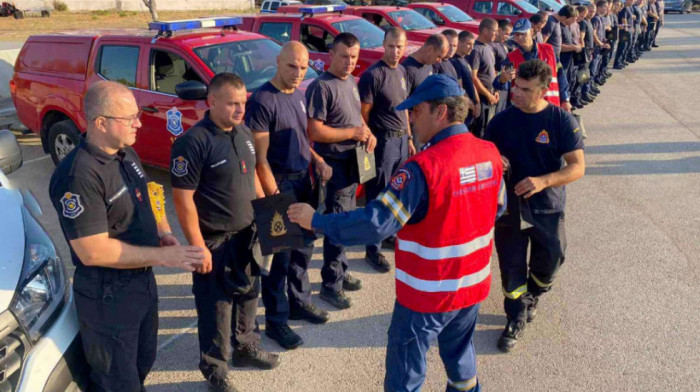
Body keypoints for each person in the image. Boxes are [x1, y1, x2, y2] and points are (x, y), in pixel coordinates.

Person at [288, 74, 506, 392]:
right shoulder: (489, 153)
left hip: (427, 293)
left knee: (405, 373)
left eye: (416, 110)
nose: (410, 118)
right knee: (461, 358)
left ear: (441, 112)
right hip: (472, 286)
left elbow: (377, 223)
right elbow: (497, 208)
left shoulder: (422, 168)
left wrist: (316, 222)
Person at [49, 81, 205, 392]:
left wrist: (164, 232)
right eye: (130, 117)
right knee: (116, 380)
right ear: (101, 123)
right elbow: (92, 251)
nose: (140, 121)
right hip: (108, 294)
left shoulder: (125, 152)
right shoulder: (78, 176)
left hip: (140, 281)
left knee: (141, 363)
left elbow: (150, 193)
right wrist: (163, 257)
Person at [170, 73, 280, 392]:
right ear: (212, 101)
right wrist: (197, 247)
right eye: (232, 103)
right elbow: (182, 199)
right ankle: (215, 367)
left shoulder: (243, 133)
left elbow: (252, 180)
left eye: (243, 102)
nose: (240, 109)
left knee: (248, 294)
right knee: (216, 306)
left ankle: (245, 348)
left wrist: (266, 213)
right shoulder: (193, 142)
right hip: (214, 242)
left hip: (248, 235)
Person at [484, 59, 585, 353]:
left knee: (552, 258)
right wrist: (494, 161)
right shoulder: (501, 122)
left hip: (547, 208)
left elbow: (577, 167)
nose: (516, 93)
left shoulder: (561, 121)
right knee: (512, 266)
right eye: (516, 86)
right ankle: (515, 318)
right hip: (510, 210)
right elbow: (484, 156)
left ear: (542, 91)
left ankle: (535, 294)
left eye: (525, 89)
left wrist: (544, 180)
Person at [245, 42, 332, 350]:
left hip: (304, 182)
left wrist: (318, 160)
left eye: (304, 67)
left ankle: (299, 302)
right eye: (292, 66)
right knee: (278, 261)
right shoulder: (262, 101)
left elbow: (301, 136)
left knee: (303, 251)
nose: (298, 73)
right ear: (278, 62)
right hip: (279, 186)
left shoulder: (298, 95)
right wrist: (276, 200)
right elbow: (260, 159)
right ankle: (276, 323)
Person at [306, 32, 376, 310]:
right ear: (331, 56)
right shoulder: (321, 87)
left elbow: (357, 115)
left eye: (354, 57)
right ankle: (330, 285)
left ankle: (342, 270)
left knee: (347, 221)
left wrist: (366, 132)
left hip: (353, 161)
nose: (350, 62)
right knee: (336, 225)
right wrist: (354, 132)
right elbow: (315, 130)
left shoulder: (350, 82)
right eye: (344, 56)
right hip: (334, 166)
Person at [359, 27, 416, 273]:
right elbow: (362, 114)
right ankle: (373, 248)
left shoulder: (402, 71)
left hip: (402, 142)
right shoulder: (373, 75)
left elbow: (403, 108)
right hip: (382, 145)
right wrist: (369, 137)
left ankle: (389, 233)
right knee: (378, 196)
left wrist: (410, 137)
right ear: (384, 44)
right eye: (391, 46)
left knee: (397, 193)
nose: (395, 51)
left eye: (399, 47)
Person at [494, 18, 570, 112]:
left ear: (531, 31)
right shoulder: (511, 58)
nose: (520, 37)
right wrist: (502, 79)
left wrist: (565, 99)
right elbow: (497, 82)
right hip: (524, 110)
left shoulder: (549, 50)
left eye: (523, 34)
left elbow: (561, 76)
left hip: (550, 107)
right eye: (517, 34)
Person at [468, 17, 499, 138]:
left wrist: (495, 90)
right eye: (494, 31)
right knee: (480, 132)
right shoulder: (476, 50)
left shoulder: (489, 47)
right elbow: (473, 77)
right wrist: (487, 95)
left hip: (491, 96)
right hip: (482, 98)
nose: (497, 34)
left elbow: (493, 71)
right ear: (485, 31)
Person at [451, 31, 480, 125]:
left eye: (473, 44)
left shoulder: (465, 61)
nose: (472, 47)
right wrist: (472, 105)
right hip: (463, 110)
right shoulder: (454, 62)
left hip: (472, 109)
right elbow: (460, 88)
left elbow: (472, 83)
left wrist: (477, 102)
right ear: (459, 43)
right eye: (468, 44)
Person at [492, 19, 514, 114]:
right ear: (499, 30)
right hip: (498, 86)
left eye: (509, 34)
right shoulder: (491, 47)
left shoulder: (503, 44)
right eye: (506, 34)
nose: (508, 37)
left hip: (506, 87)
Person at [614, 0, 635, 69]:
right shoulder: (624, 9)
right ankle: (617, 63)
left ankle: (622, 60)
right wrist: (626, 29)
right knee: (622, 47)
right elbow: (624, 19)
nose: (632, 1)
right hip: (624, 31)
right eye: (631, 0)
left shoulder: (629, 8)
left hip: (628, 30)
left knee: (627, 46)